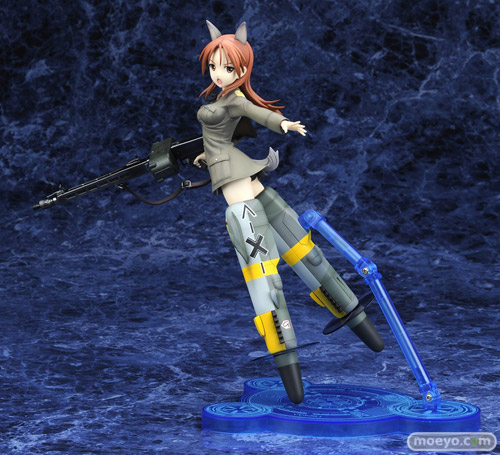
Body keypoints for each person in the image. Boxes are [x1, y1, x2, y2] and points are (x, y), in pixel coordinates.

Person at [194, 21, 383, 404]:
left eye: (227, 67)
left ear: (241, 68)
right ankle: (347, 314)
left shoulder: (233, 100)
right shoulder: (222, 100)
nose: (218, 73)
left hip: (238, 187)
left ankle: (291, 352)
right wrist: (204, 156)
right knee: (300, 250)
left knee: (266, 274)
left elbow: (257, 112)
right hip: (246, 178)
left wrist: (283, 123)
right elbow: (218, 139)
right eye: (214, 66)